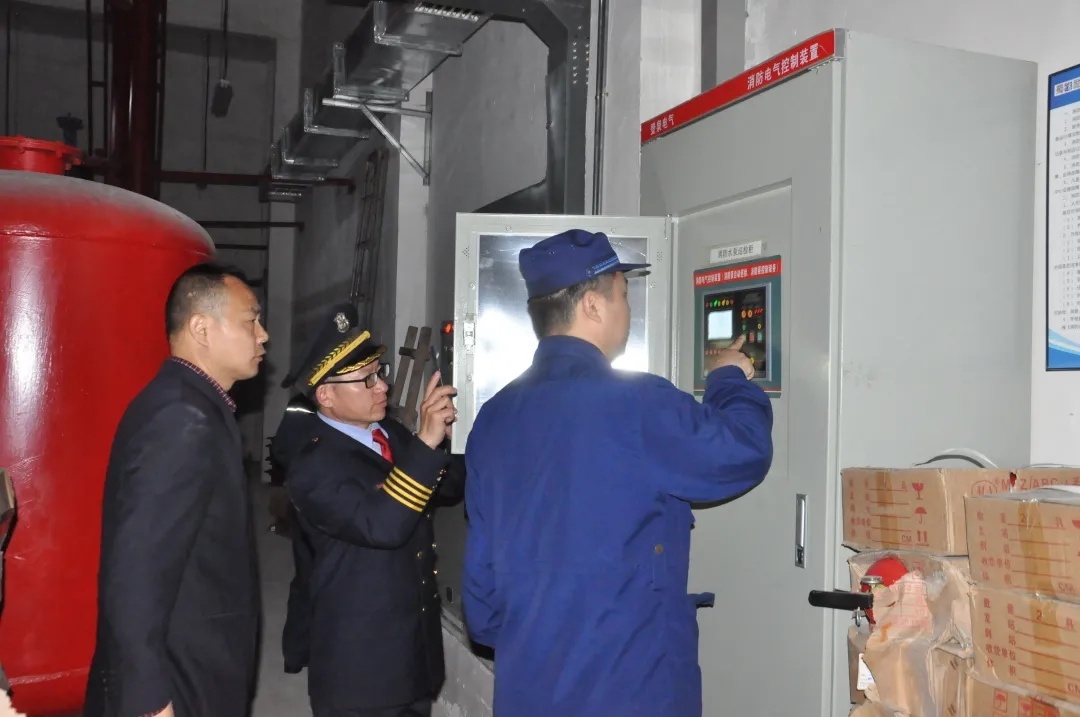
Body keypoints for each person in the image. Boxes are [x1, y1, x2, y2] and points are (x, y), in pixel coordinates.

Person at [461, 229, 774, 717]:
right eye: (623, 295)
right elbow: (742, 450)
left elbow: (482, 602)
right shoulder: (638, 403)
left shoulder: (493, 417)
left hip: (528, 688)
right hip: (628, 687)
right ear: (593, 305)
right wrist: (728, 379)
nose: (627, 310)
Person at [84, 263, 269, 717]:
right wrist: (147, 698)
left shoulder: (196, 406)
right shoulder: (182, 419)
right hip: (181, 677)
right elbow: (135, 573)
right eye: (251, 320)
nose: (263, 335)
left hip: (200, 661)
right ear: (202, 328)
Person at [277, 304, 465, 717]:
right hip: (360, 666)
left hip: (412, 652)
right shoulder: (313, 466)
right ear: (326, 395)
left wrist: (443, 443)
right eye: (366, 379)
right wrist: (424, 447)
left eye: (380, 373)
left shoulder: (389, 432)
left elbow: (449, 489)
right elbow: (383, 525)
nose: (382, 386)